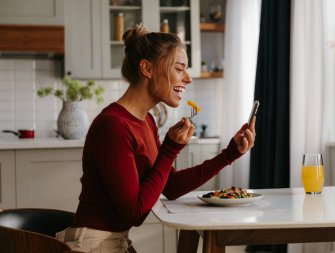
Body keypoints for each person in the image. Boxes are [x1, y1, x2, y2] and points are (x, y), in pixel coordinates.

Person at [56, 24, 256, 253]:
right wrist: (170, 150)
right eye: (179, 68)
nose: (188, 78)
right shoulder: (113, 125)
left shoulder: (146, 121)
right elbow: (136, 212)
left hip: (115, 242)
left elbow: (169, 185)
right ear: (147, 68)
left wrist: (230, 154)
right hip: (92, 245)